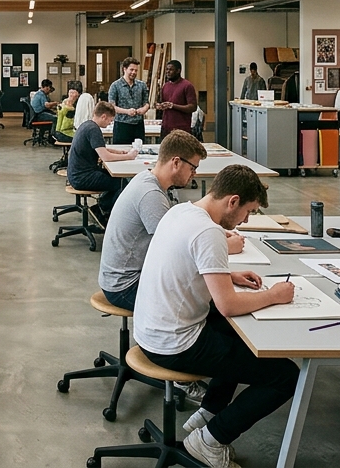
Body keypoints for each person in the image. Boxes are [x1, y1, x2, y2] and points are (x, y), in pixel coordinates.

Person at [134, 165, 299, 468]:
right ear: (232, 201)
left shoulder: (181, 211)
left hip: (150, 330)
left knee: (237, 336)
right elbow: (228, 306)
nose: (245, 221)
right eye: (247, 212)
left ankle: (208, 412)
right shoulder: (208, 232)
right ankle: (211, 440)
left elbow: (189, 261)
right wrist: (274, 295)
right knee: (286, 376)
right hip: (174, 344)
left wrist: (227, 274)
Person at [99, 130, 231, 312]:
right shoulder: (151, 195)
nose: (194, 174)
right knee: (210, 303)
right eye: (192, 168)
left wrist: (216, 236)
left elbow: (177, 230)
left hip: (123, 278)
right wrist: (225, 246)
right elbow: (173, 250)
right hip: (125, 287)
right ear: (176, 162)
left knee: (211, 292)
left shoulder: (147, 178)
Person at [69, 102, 137, 218]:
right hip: (82, 177)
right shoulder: (93, 130)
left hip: (76, 174)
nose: (110, 123)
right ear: (104, 116)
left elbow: (99, 148)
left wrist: (117, 152)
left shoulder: (87, 125)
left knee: (116, 179)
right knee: (121, 183)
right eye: (110, 120)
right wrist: (129, 156)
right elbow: (106, 157)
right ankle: (106, 213)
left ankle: (101, 206)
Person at [107, 57, 150, 144]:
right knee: (121, 150)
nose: (134, 72)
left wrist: (144, 109)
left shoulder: (142, 85)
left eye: (136, 70)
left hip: (138, 125)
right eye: (131, 70)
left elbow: (147, 103)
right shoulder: (115, 86)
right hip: (122, 125)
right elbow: (112, 106)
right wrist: (127, 111)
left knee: (139, 149)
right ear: (124, 69)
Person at [156, 60, 198, 135]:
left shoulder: (187, 86)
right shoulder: (165, 86)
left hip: (181, 129)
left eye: (171, 70)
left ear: (178, 71)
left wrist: (173, 106)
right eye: (167, 69)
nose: (168, 72)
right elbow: (163, 103)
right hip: (166, 128)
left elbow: (193, 107)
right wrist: (160, 106)